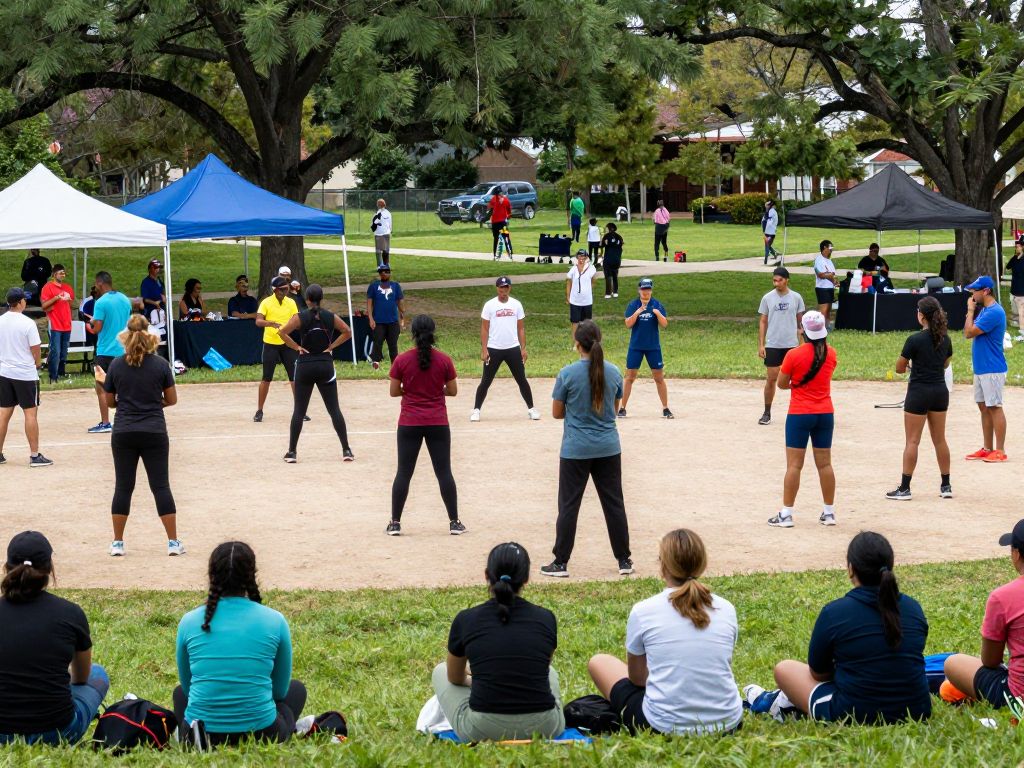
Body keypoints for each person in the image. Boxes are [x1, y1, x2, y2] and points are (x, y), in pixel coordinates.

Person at [747, 532, 930, 724]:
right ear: (890, 566)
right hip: (917, 709)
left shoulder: (835, 612)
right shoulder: (913, 608)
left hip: (855, 713)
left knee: (785, 669)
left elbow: (818, 673)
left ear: (851, 569)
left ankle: (778, 702)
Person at [587, 529, 743, 735]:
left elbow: (637, 679)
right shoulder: (726, 608)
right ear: (702, 563)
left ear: (663, 566)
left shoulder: (644, 611)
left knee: (599, 662)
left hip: (662, 725)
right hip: (727, 722)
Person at [174, 541, 306, 746]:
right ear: (252, 576)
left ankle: (192, 737)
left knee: (178, 694)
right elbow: (279, 692)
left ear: (211, 576)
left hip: (200, 735)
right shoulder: (275, 620)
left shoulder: (189, 621)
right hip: (262, 734)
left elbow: (187, 687)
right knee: (296, 690)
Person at [432, 542, 564, 741]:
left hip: (481, 729)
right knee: (550, 673)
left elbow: (455, 678)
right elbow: (541, 667)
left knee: (441, 670)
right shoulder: (546, 618)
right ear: (526, 578)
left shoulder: (466, 618)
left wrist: (474, 680)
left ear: (487, 575)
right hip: (545, 727)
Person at [0, 531, 109, 745]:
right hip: (56, 731)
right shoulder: (70, 613)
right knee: (98, 673)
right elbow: (80, 677)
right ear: (49, 569)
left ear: (7, 568)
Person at [542, 320, 631, 578]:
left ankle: (560, 562)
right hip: (608, 447)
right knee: (614, 503)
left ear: (577, 344)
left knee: (569, 506)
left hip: (575, 449)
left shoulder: (567, 374)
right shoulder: (614, 372)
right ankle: (624, 559)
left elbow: (557, 413)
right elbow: (614, 410)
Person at [95, 314, 183, 557]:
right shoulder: (160, 364)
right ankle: (173, 542)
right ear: (149, 334)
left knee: (123, 487)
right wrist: (153, 403)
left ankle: (117, 542)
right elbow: (172, 399)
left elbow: (111, 402)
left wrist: (102, 382)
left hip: (124, 430)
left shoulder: (116, 364)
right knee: (161, 486)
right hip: (154, 430)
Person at [386, 315, 465, 536]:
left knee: (404, 472)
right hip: (437, 421)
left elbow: (394, 391)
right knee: (444, 472)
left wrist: (410, 392)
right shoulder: (444, 360)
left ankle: (395, 522)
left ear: (412, 333)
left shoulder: (401, 360)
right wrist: (435, 391)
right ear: (433, 332)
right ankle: (454, 521)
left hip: (409, 422)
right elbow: (453, 391)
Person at [944, 518, 1024, 709]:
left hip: (1018, 697)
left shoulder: (1003, 596)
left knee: (952, 663)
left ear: (1016, 553)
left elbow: (990, 660)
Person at [768, 310, 838, 528]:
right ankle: (829, 513)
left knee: (794, 465)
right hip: (825, 412)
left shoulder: (794, 355)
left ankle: (786, 514)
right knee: (825, 464)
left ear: (803, 331)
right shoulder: (832, 353)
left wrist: (795, 385)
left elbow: (780, 384)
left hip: (800, 413)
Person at [276, 283, 355, 463]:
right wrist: (331, 347)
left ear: (307, 299)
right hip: (325, 364)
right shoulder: (330, 316)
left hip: (305, 364)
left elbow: (282, 332)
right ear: (321, 298)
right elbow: (347, 331)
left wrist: (296, 347)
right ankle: (346, 450)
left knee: (299, 410)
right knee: (334, 409)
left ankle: (292, 452)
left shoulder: (300, 317)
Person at [885, 296, 953, 500]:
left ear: (921, 316)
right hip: (940, 391)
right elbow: (946, 364)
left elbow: (899, 367)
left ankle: (905, 488)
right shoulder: (945, 338)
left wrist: (911, 366)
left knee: (912, 441)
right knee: (940, 439)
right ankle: (946, 485)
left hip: (919, 392)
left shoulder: (914, 339)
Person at [470, 276, 540, 423]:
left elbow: (521, 328)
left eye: (506, 287)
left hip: (513, 348)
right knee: (486, 381)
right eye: (501, 287)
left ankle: (531, 408)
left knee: (521, 379)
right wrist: (484, 349)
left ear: (510, 288)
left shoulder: (516, 304)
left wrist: (523, 348)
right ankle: (476, 409)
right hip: (494, 348)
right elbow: (484, 328)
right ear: (497, 288)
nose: (504, 290)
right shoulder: (489, 305)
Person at [0, 287, 52, 467]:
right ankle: (34, 455)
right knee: (30, 413)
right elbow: (35, 349)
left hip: (5, 372)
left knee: (4, 413)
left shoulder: (1, 321)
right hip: (25, 374)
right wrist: (37, 363)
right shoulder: (27, 323)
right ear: (20, 302)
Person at [963, 275, 1008, 462]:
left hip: (992, 369)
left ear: (986, 291)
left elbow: (968, 332)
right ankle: (987, 447)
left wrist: (970, 310)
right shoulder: (985, 310)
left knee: (994, 407)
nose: (973, 294)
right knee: (984, 408)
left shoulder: (994, 312)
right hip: (982, 369)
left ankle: (1000, 450)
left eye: (975, 290)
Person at [619, 278, 673, 419]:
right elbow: (628, 324)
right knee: (630, 377)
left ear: (651, 290)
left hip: (653, 346)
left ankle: (665, 408)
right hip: (636, 346)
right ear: (639, 290)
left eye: (648, 289)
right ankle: (622, 408)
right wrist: (637, 312)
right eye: (643, 289)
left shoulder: (656, 304)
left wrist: (658, 313)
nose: (646, 292)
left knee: (659, 377)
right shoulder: (633, 304)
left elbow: (665, 324)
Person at [757, 266, 805, 426]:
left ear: (787, 280)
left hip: (792, 344)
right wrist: (761, 344)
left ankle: (798, 411)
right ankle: (766, 412)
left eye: (780, 280)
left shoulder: (796, 298)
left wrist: (802, 342)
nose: (777, 283)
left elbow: (801, 322)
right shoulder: (767, 298)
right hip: (773, 344)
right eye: (774, 280)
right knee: (771, 378)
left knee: (797, 380)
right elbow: (763, 321)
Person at [86, 271, 132, 434]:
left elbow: (97, 328)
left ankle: (106, 422)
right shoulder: (125, 299)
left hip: (105, 350)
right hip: (122, 349)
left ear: (99, 283)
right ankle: (127, 419)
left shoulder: (100, 302)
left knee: (101, 387)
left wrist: (90, 324)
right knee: (124, 387)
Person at [254, 276, 299, 423]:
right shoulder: (266, 302)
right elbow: (258, 321)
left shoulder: (291, 302)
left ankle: (300, 410)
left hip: (287, 344)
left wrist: (289, 327)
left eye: (287, 289)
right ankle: (259, 410)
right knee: (266, 378)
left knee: (294, 378)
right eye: (283, 289)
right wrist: (269, 323)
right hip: (270, 344)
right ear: (275, 290)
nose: (285, 292)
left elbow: (296, 320)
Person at [39, 263, 74, 383]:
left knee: (64, 352)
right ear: (54, 274)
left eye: (64, 273)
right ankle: (53, 377)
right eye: (61, 273)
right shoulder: (47, 287)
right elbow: (44, 306)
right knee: (56, 351)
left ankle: (61, 374)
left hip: (67, 325)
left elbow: (72, 305)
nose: (63, 275)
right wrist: (57, 298)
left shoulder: (68, 287)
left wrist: (69, 300)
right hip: (55, 324)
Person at [366, 264, 406, 370]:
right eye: (381, 272)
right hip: (378, 321)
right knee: (377, 341)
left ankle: (395, 365)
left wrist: (402, 316)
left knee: (393, 344)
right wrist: (370, 318)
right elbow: (369, 303)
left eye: (386, 271)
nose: (384, 273)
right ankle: (376, 361)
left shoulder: (396, 286)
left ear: (390, 273)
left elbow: (400, 302)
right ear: (379, 274)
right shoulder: (374, 286)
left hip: (392, 321)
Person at [565, 249, 597, 345]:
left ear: (586, 257)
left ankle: (587, 341)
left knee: (587, 322)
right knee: (575, 322)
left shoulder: (591, 268)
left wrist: (587, 290)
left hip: (587, 301)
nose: (581, 259)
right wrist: (568, 296)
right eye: (579, 257)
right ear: (577, 257)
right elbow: (569, 282)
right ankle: (576, 343)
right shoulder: (573, 269)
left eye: (583, 257)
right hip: (575, 300)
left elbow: (593, 281)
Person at [813, 240, 839, 324]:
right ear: (824, 248)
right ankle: (821, 328)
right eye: (830, 248)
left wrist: (835, 281)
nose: (832, 250)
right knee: (823, 311)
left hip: (830, 288)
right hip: (822, 288)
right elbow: (820, 274)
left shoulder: (829, 260)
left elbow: (832, 274)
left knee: (828, 310)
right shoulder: (818, 259)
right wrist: (830, 275)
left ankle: (827, 327)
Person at [600, 222, 624, 299]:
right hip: (617, 260)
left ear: (609, 228)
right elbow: (621, 246)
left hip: (608, 259)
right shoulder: (619, 237)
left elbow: (601, 245)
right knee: (615, 276)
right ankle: (615, 292)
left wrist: (602, 240)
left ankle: (608, 293)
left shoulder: (606, 236)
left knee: (608, 276)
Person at [488, 188, 512, 258]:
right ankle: (509, 253)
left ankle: (495, 254)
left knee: (496, 238)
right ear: (501, 192)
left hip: (495, 223)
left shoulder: (493, 199)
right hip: (503, 222)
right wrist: (507, 216)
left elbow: (489, 208)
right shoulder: (506, 200)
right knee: (506, 237)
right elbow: (509, 211)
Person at [372, 198, 393, 266]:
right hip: (386, 233)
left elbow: (374, 223)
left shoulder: (377, 213)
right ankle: (386, 264)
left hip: (379, 233)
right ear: (385, 205)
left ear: (378, 205)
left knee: (379, 251)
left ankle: (380, 265)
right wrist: (390, 231)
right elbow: (390, 223)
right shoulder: (388, 213)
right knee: (386, 250)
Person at [761, 200, 779, 265]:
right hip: (771, 233)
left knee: (767, 246)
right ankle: (774, 254)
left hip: (768, 232)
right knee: (768, 245)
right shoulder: (772, 212)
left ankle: (766, 259)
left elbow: (765, 222)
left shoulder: (770, 212)